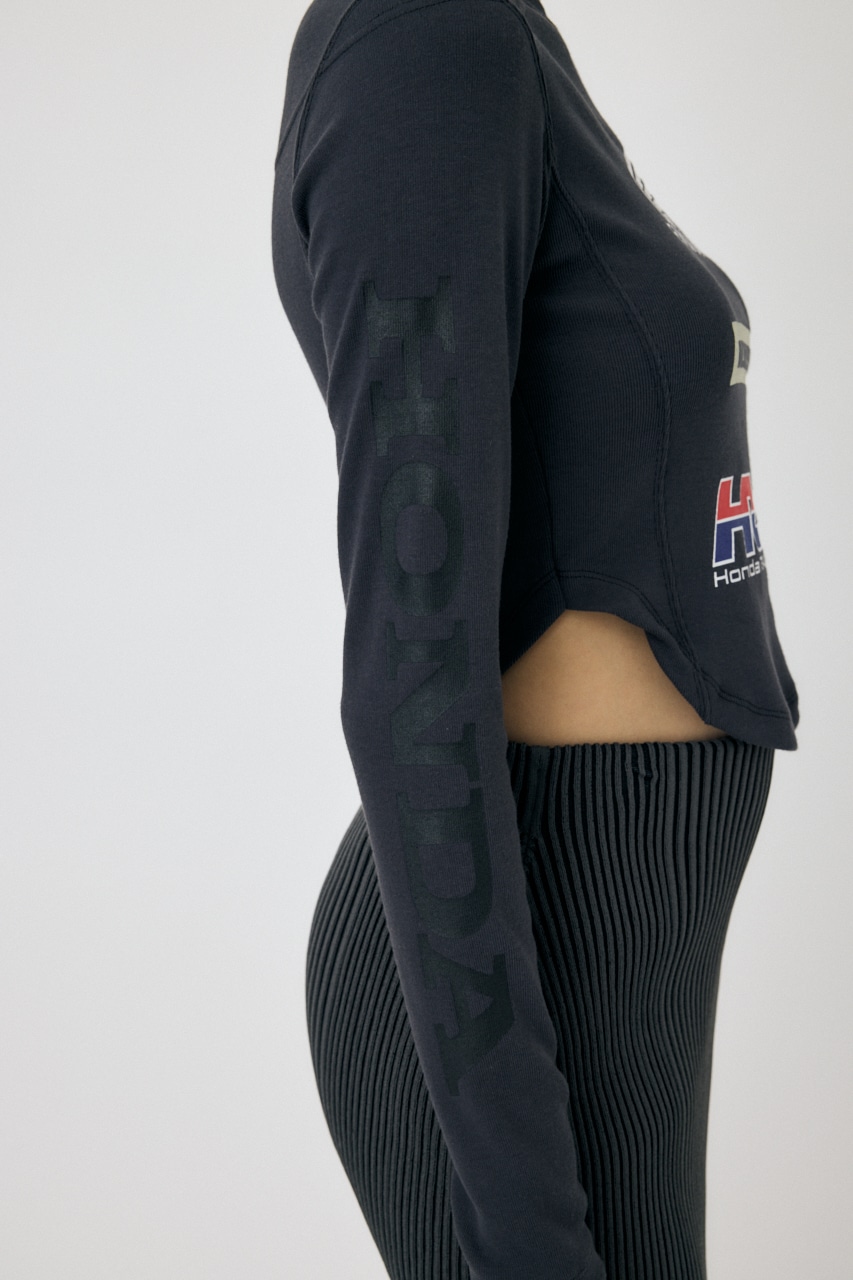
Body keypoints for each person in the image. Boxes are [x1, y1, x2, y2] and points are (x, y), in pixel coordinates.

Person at [270, 0, 800, 1275]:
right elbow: (410, 669)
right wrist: (525, 1228)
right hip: (524, 963)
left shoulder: (488, 35)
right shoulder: (425, 45)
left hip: (614, 942)